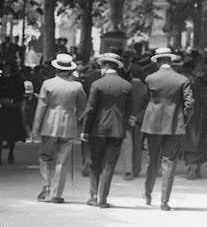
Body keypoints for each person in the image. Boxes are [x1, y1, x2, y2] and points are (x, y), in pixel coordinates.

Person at [140, 47, 195, 210]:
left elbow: (146, 100)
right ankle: (164, 201)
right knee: (169, 162)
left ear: (157, 61)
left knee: (152, 159)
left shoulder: (150, 78)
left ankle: (148, 193)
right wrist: (184, 119)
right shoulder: (181, 80)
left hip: (153, 124)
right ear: (171, 61)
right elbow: (190, 103)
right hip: (174, 125)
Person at [32, 53, 87, 203]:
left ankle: (46, 187)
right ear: (70, 70)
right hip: (68, 125)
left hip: (49, 123)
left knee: (45, 157)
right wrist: (78, 121)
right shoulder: (77, 86)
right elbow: (83, 109)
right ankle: (56, 194)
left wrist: (35, 129)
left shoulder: (48, 84)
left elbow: (41, 107)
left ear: (56, 69)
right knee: (62, 160)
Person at [79, 52, 133, 208]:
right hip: (117, 131)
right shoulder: (127, 86)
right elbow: (128, 112)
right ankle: (103, 198)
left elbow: (90, 109)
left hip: (97, 130)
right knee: (109, 165)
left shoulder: (97, 85)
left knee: (95, 163)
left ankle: (93, 195)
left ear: (106, 66)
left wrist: (85, 130)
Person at [0, 60, 28, 165]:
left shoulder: (17, 79)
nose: (5, 69)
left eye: (7, 67)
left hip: (12, 108)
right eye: (4, 67)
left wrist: (13, 102)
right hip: (0, 108)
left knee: (11, 134)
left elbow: (20, 93)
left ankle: (11, 153)